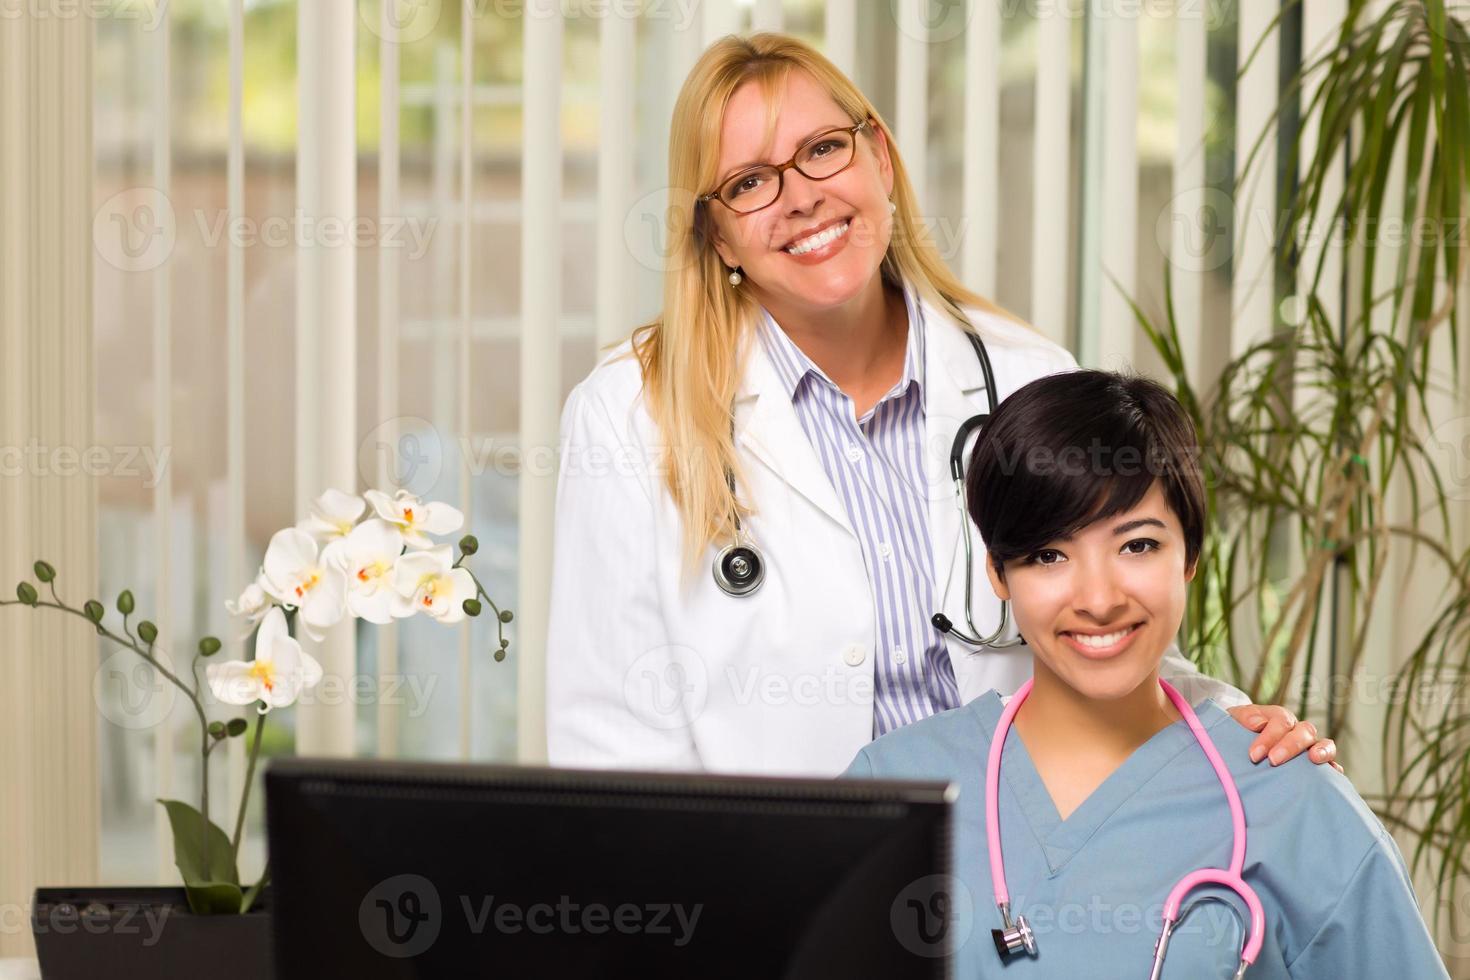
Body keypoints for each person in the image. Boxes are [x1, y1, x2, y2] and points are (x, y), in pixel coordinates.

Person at [545, 32, 1337, 777]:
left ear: (880, 160)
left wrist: (1233, 718)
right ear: (716, 237)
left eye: (824, 150)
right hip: (781, 887)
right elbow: (612, 739)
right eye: (750, 183)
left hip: (1021, 867)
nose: (802, 198)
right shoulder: (628, 415)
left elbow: (1105, 626)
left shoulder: (1024, 375)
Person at [843, 370, 1447, 977]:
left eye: (1137, 545)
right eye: (1049, 555)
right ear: (998, 574)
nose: (1099, 599)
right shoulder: (893, 787)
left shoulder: (1294, 801)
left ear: (1190, 557)